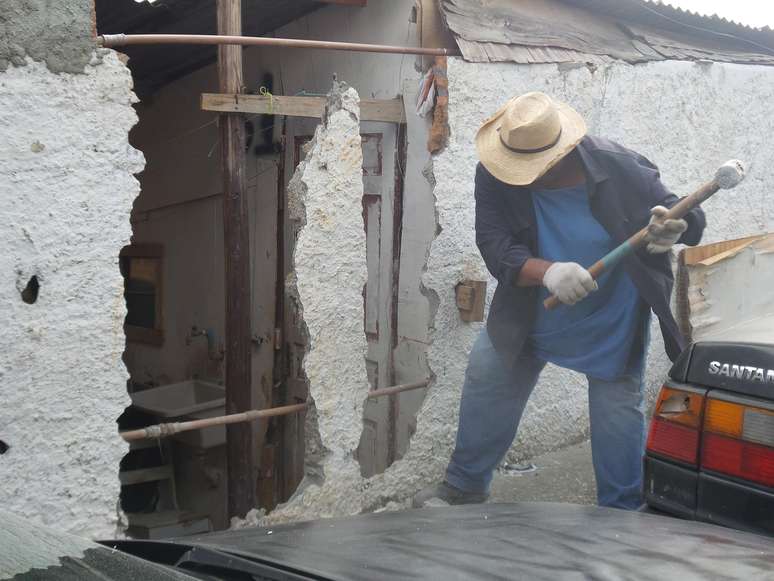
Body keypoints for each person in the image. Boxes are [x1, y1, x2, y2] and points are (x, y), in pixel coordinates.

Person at [413, 92, 706, 510]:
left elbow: (687, 215)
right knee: (487, 377)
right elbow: (494, 243)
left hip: (612, 313)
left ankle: (622, 513)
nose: (524, 175)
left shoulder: (617, 164)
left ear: (562, 150)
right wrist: (547, 271)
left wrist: (673, 229)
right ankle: (464, 487)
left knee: (617, 409)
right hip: (532, 305)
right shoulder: (494, 173)